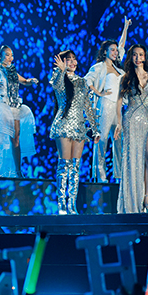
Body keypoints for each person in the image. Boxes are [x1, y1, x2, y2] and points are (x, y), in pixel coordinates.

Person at [0, 46, 39, 178]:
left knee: (16, 139)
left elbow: (24, 81)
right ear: (0, 56)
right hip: (2, 106)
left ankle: (18, 171)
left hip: (14, 107)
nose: (10, 58)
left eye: (11, 55)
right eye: (7, 55)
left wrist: (30, 81)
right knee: (0, 137)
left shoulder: (13, 71)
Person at [115, 44, 148, 213]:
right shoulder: (125, 78)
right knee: (132, 160)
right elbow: (119, 103)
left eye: (140, 55)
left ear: (145, 57)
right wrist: (119, 123)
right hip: (130, 121)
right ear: (131, 58)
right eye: (135, 55)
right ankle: (133, 199)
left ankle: (147, 197)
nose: (138, 58)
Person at [50, 50, 100, 214]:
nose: (72, 62)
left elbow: (87, 106)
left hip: (79, 127)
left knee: (75, 167)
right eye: (68, 60)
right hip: (64, 125)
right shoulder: (59, 78)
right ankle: (61, 204)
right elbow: (57, 87)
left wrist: (95, 130)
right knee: (64, 165)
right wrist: (61, 71)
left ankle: (72, 204)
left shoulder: (82, 82)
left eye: (74, 59)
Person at [85, 18, 131, 182]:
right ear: (105, 52)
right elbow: (87, 81)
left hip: (118, 108)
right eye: (112, 50)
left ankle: (119, 176)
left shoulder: (118, 68)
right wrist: (99, 92)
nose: (115, 52)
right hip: (105, 106)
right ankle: (100, 176)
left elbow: (122, 45)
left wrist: (125, 27)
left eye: (115, 51)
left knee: (119, 141)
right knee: (102, 140)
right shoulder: (99, 67)